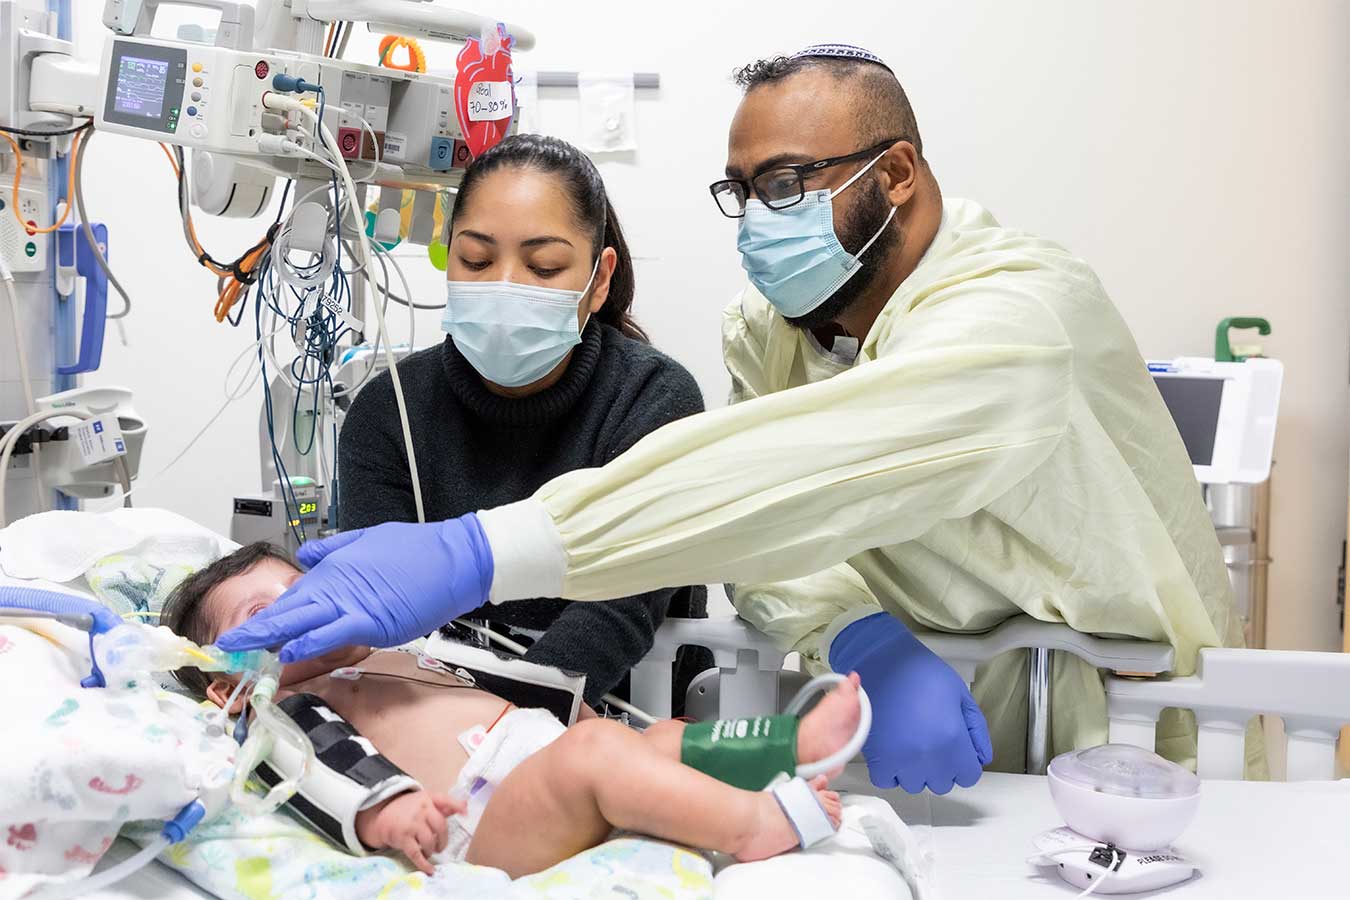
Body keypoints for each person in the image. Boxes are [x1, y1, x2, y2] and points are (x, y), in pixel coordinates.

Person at [220, 44, 1243, 793]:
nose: (761, 218)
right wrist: (862, 632)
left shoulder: (1016, 313)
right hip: (910, 689)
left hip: (1123, 706)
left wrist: (480, 553)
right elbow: (761, 535)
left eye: (790, 184)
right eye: (742, 189)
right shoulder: (774, 328)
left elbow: (816, 463)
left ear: (897, 175)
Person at [163, 542, 859, 877]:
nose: (296, 610)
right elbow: (315, 767)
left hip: (541, 757)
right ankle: (751, 826)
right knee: (595, 759)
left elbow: (504, 676)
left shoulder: (386, 650)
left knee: (661, 735)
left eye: (303, 589)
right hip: (487, 819)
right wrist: (386, 809)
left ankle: (787, 744)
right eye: (261, 612)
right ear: (223, 680)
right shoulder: (285, 705)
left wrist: (577, 709)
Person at [336, 134, 709, 713]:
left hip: (625, 711)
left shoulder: (651, 398)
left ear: (599, 277)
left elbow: (617, 608)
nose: (505, 285)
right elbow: (381, 603)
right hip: (439, 711)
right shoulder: (391, 413)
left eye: (544, 266)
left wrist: (506, 728)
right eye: (477, 260)